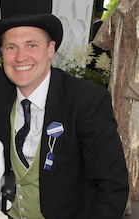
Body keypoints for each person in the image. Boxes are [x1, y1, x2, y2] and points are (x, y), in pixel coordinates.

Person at [0, 0, 129, 218]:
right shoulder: (0, 84)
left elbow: (111, 186)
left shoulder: (87, 101)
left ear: (50, 49)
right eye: (11, 47)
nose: (20, 57)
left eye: (31, 45)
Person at [93, 0, 139, 215]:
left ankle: (120, 193)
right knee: (129, 136)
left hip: (122, 81)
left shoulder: (123, 8)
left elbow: (104, 40)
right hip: (130, 84)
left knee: (120, 134)